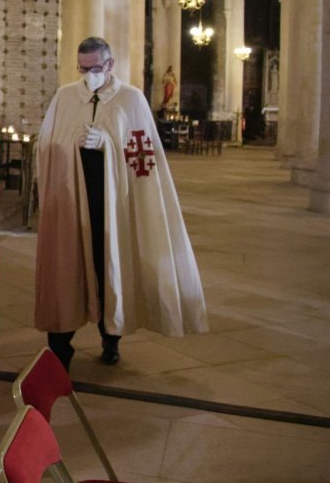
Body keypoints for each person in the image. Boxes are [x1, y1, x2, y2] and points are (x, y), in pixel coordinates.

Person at [35, 37, 208, 371]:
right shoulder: (65, 97)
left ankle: (110, 336)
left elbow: (144, 155)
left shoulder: (131, 100)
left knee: (108, 268)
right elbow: (47, 143)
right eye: (83, 69)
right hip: (72, 202)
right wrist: (73, 144)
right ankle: (59, 349)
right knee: (67, 270)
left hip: (112, 206)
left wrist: (108, 144)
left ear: (110, 65)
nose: (89, 75)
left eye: (96, 68)